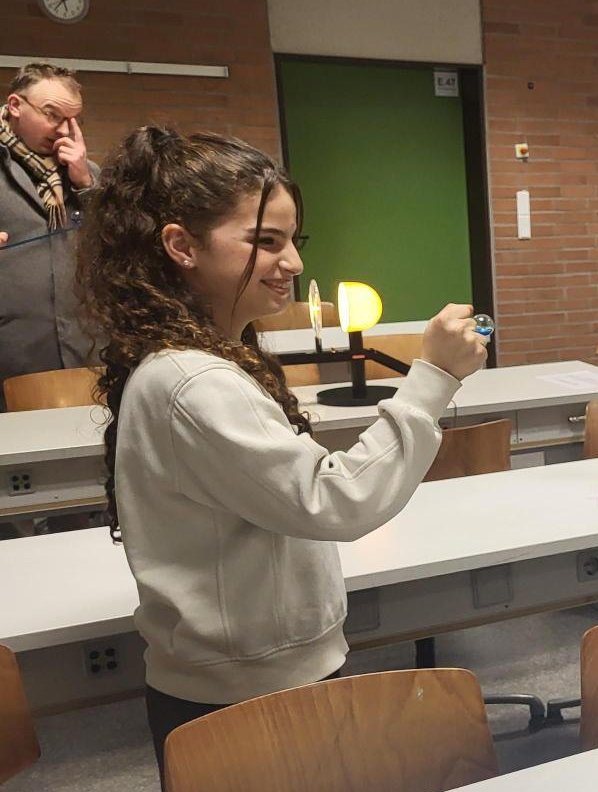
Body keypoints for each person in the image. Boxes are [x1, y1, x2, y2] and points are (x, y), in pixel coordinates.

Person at [73, 127, 489, 772]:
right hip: (241, 696)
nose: (292, 262)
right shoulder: (193, 381)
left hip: (253, 678)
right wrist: (432, 376)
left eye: (294, 241)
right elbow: (336, 500)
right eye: (265, 241)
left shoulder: (205, 358)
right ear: (182, 246)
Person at [1, 62, 97, 411]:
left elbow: (119, 244)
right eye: (53, 115)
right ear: (15, 105)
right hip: (12, 354)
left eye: (73, 120)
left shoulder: (86, 174)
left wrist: (86, 184)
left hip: (86, 353)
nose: (64, 130)